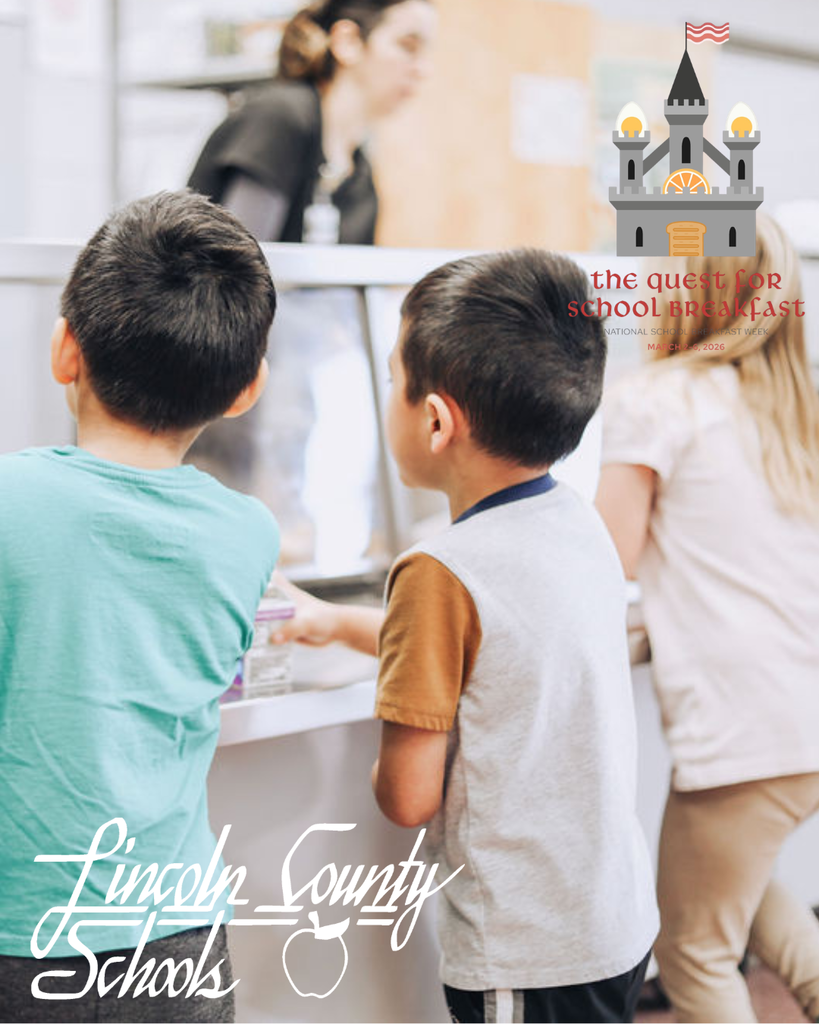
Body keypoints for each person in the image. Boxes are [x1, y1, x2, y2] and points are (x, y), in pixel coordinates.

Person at [271, 249, 659, 1023]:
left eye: (391, 380)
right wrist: (334, 624)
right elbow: (503, 644)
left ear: (436, 419)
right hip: (614, 922)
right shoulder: (574, 520)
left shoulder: (436, 568)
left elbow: (408, 797)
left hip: (527, 951)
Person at [0, 191, 280, 1023]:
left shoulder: (10, 500)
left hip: (25, 933)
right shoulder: (247, 533)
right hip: (180, 937)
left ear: (63, 350)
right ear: (246, 390)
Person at [595, 214, 819, 1023]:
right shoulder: (793, 408)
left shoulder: (658, 398)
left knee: (693, 951)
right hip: (800, 715)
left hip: (741, 727)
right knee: (742, 891)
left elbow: (607, 559)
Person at [188, 0, 436, 243]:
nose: (422, 69)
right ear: (348, 41)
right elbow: (238, 272)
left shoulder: (361, 174)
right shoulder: (279, 117)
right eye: (408, 46)